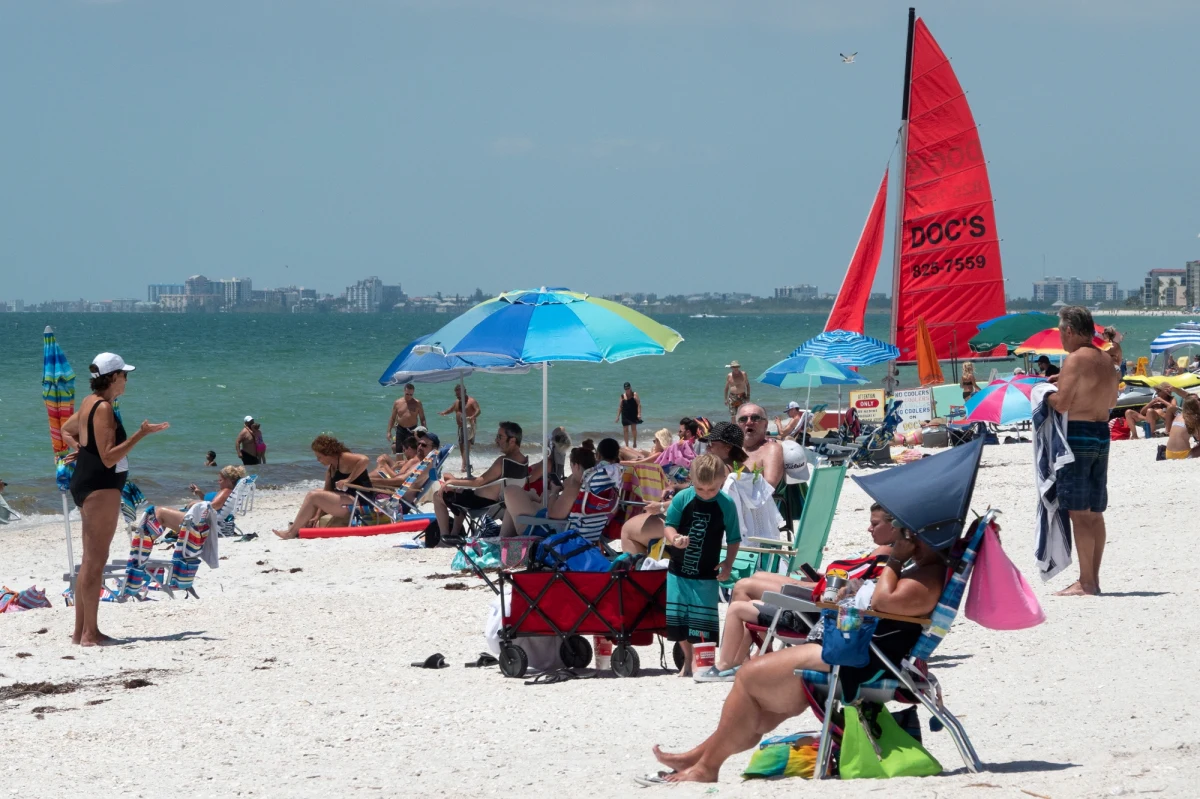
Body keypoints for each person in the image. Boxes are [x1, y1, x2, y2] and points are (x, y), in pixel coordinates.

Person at [649, 520, 946, 782]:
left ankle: (705, 766)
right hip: (856, 652)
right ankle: (701, 759)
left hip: (861, 661)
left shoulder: (926, 579)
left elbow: (883, 601)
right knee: (761, 710)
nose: (905, 537)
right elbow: (882, 602)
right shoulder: (922, 572)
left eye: (910, 532)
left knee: (750, 677)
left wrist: (894, 560)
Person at [699, 504, 899, 682]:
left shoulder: (885, 553)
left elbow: (849, 584)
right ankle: (749, 655)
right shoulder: (886, 551)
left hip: (821, 596)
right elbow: (854, 577)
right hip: (823, 586)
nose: (869, 528)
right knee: (755, 578)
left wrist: (828, 581)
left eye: (875, 524)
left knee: (744, 586)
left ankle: (744, 658)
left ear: (893, 526)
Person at [61, 352, 169, 646]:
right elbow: (109, 458)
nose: (126, 379)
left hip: (86, 483)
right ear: (113, 377)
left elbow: (67, 430)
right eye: (124, 374)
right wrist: (140, 435)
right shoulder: (104, 408)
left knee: (89, 561)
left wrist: (83, 450)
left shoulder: (88, 402)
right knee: (96, 561)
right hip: (101, 486)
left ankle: (80, 632)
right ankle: (91, 634)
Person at [1045, 306, 1121, 597]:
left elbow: (1062, 404)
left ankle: (1086, 582)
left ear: (1069, 331)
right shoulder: (1106, 359)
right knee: (1095, 512)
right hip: (1101, 433)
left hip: (1077, 436)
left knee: (1079, 512)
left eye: (1061, 332)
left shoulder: (1075, 359)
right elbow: (1110, 397)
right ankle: (1093, 579)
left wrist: (1042, 392)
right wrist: (1061, 383)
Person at [661, 454, 741, 677]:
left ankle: (702, 662)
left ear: (722, 481)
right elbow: (669, 526)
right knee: (680, 620)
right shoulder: (682, 498)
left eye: (712, 490)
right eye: (701, 489)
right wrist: (675, 538)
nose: (706, 494)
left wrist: (728, 563)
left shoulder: (726, 504)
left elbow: (734, 538)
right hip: (678, 569)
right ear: (691, 480)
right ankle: (687, 660)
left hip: (707, 572)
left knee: (703, 620)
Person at [501, 438, 621, 541]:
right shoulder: (605, 482)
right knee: (517, 505)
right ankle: (504, 546)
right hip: (586, 532)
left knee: (510, 490)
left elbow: (554, 515)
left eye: (571, 465)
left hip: (550, 531)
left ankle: (503, 546)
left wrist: (554, 492)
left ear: (576, 465)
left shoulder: (575, 485)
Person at [433, 421, 528, 541]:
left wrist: (450, 482)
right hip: (502, 503)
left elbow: (479, 482)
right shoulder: (523, 461)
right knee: (461, 492)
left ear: (513, 440)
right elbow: (485, 480)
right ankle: (455, 534)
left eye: (500, 437)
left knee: (437, 496)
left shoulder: (503, 461)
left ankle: (444, 538)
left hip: (482, 504)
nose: (497, 441)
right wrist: (457, 480)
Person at [272, 434, 373, 539]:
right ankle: (301, 526)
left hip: (362, 503)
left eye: (319, 457)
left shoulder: (343, 457)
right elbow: (326, 492)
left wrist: (348, 479)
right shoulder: (331, 469)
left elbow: (364, 460)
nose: (318, 460)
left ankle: (290, 533)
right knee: (316, 492)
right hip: (348, 501)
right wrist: (318, 515)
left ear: (328, 454)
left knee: (313, 495)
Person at [156, 465, 247, 534]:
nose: (218, 482)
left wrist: (196, 504)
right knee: (163, 517)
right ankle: (149, 540)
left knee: (160, 511)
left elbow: (212, 507)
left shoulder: (226, 491)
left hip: (198, 524)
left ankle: (146, 542)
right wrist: (199, 495)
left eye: (220, 480)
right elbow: (213, 505)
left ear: (228, 480)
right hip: (203, 521)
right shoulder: (230, 492)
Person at [735, 404, 784, 489]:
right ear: (738, 426)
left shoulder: (771, 449)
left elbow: (769, 486)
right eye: (743, 419)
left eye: (755, 418)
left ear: (765, 425)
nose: (749, 422)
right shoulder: (732, 449)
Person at [387, 383, 427, 454]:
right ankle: (400, 464)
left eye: (411, 394)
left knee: (411, 451)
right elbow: (392, 418)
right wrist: (389, 432)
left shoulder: (417, 403)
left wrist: (424, 431)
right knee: (398, 451)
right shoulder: (397, 403)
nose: (409, 396)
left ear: (413, 393)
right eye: (407, 394)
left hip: (412, 430)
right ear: (404, 391)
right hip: (400, 429)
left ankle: (410, 463)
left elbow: (422, 418)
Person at [1163, 385, 1200, 459]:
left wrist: (1175, 389)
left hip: (1168, 454)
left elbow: (1188, 397)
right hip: (1183, 455)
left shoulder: (1180, 415)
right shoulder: (1194, 419)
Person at [439, 385, 480, 449]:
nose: (456, 395)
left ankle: (466, 458)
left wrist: (473, 416)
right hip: (460, 427)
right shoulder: (457, 401)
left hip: (469, 426)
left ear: (464, 392)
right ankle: (464, 458)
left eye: (458, 394)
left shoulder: (471, 401)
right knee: (461, 444)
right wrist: (444, 413)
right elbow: (451, 409)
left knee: (467, 444)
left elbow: (478, 410)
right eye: (456, 394)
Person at [616, 382, 642, 447]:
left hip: (633, 413)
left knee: (633, 429)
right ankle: (627, 445)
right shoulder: (622, 396)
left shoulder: (634, 394)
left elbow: (639, 404)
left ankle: (634, 442)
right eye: (626, 388)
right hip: (625, 414)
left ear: (630, 388)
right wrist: (617, 417)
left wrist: (639, 414)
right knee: (625, 430)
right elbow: (620, 407)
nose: (627, 390)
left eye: (628, 388)